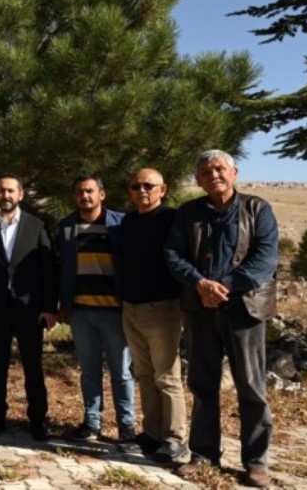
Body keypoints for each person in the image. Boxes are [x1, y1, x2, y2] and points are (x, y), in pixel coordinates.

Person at [164, 150, 277, 488]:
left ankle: (256, 462)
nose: (213, 175)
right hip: (200, 308)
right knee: (202, 383)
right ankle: (203, 454)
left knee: (252, 386)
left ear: (234, 173)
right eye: (205, 171)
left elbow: (264, 260)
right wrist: (199, 283)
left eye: (219, 168)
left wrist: (223, 286)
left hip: (245, 310)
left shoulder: (257, 209)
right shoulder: (188, 213)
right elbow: (173, 253)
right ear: (198, 180)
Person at [0, 174, 57, 441]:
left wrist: (49, 307)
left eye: (10, 191)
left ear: (20, 194)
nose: (5, 196)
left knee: (33, 366)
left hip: (30, 309)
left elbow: (48, 269)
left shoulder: (36, 226)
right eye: (1, 191)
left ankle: (38, 421)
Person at [57, 174, 136, 444]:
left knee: (121, 371)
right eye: (79, 192)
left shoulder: (121, 224)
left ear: (101, 194)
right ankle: (92, 422)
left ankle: (126, 425)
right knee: (89, 370)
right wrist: (63, 304)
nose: (85, 196)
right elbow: (63, 269)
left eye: (90, 191)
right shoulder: (67, 227)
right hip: (81, 312)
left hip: (114, 311)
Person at [117, 168, 187, 461]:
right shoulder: (129, 221)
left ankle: (175, 438)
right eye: (135, 186)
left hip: (161, 308)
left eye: (148, 185)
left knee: (167, 376)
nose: (141, 190)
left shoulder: (171, 219)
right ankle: (152, 433)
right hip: (130, 308)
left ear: (163, 189)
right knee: (144, 374)